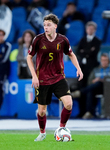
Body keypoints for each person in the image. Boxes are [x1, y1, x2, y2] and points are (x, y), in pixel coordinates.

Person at [27, 13, 83, 141]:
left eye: (48, 25)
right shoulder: (38, 40)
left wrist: (78, 69)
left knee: (69, 104)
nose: (46, 27)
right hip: (42, 80)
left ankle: (61, 128)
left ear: (55, 26)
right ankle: (42, 133)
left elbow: (71, 54)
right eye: (44, 25)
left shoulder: (63, 40)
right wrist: (34, 76)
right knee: (41, 111)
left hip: (58, 78)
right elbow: (29, 57)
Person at [72, 53, 110, 119]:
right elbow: (90, 82)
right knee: (91, 90)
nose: (104, 62)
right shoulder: (95, 70)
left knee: (98, 83)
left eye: (105, 60)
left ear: (108, 61)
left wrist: (102, 80)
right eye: (102, 60)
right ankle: (89, 112)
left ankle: (80, 93)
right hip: (96, 88)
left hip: (108, 89)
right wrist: (94, 81)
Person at [75, 21, 101, 117]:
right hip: (82, 69)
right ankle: (81, 111)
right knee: (81, 87)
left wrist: (85, 52)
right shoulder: (82, 40)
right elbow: (78, 52)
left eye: (92, 29)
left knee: (90, 89)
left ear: (95, 30)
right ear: (86, 30)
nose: (90, 30)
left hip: (92, 69)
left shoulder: (97, 41)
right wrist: (88, 52)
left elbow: (94, 53)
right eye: (88, 28)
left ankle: (90, 111)